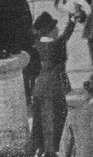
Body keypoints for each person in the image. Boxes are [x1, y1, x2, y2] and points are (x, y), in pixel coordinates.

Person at [31, 11, 76, 157]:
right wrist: (72, 21)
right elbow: (66, 36)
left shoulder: (36, 46)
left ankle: (39, 149)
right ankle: (51, 151)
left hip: (39, 87)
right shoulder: (57, 45)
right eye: (54, 27)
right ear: (50, 30)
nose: (57, 30)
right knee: (54, 119)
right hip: (54, 87)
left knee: (39, 119)